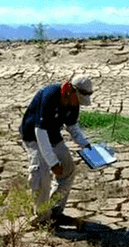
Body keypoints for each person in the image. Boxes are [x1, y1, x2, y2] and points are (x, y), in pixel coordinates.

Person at [19, 75, 93, 226]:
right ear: (70, 92)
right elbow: (40, 132)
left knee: (68, 170)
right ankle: (41, 217)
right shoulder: (50, 95)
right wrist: (52, 162)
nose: (77, 104)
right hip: (33, 135)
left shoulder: (74, 102)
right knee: (42, 173)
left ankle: (54, 211)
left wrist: (86, 145)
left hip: (53, 135)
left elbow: (72, 126)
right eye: (78, 100)